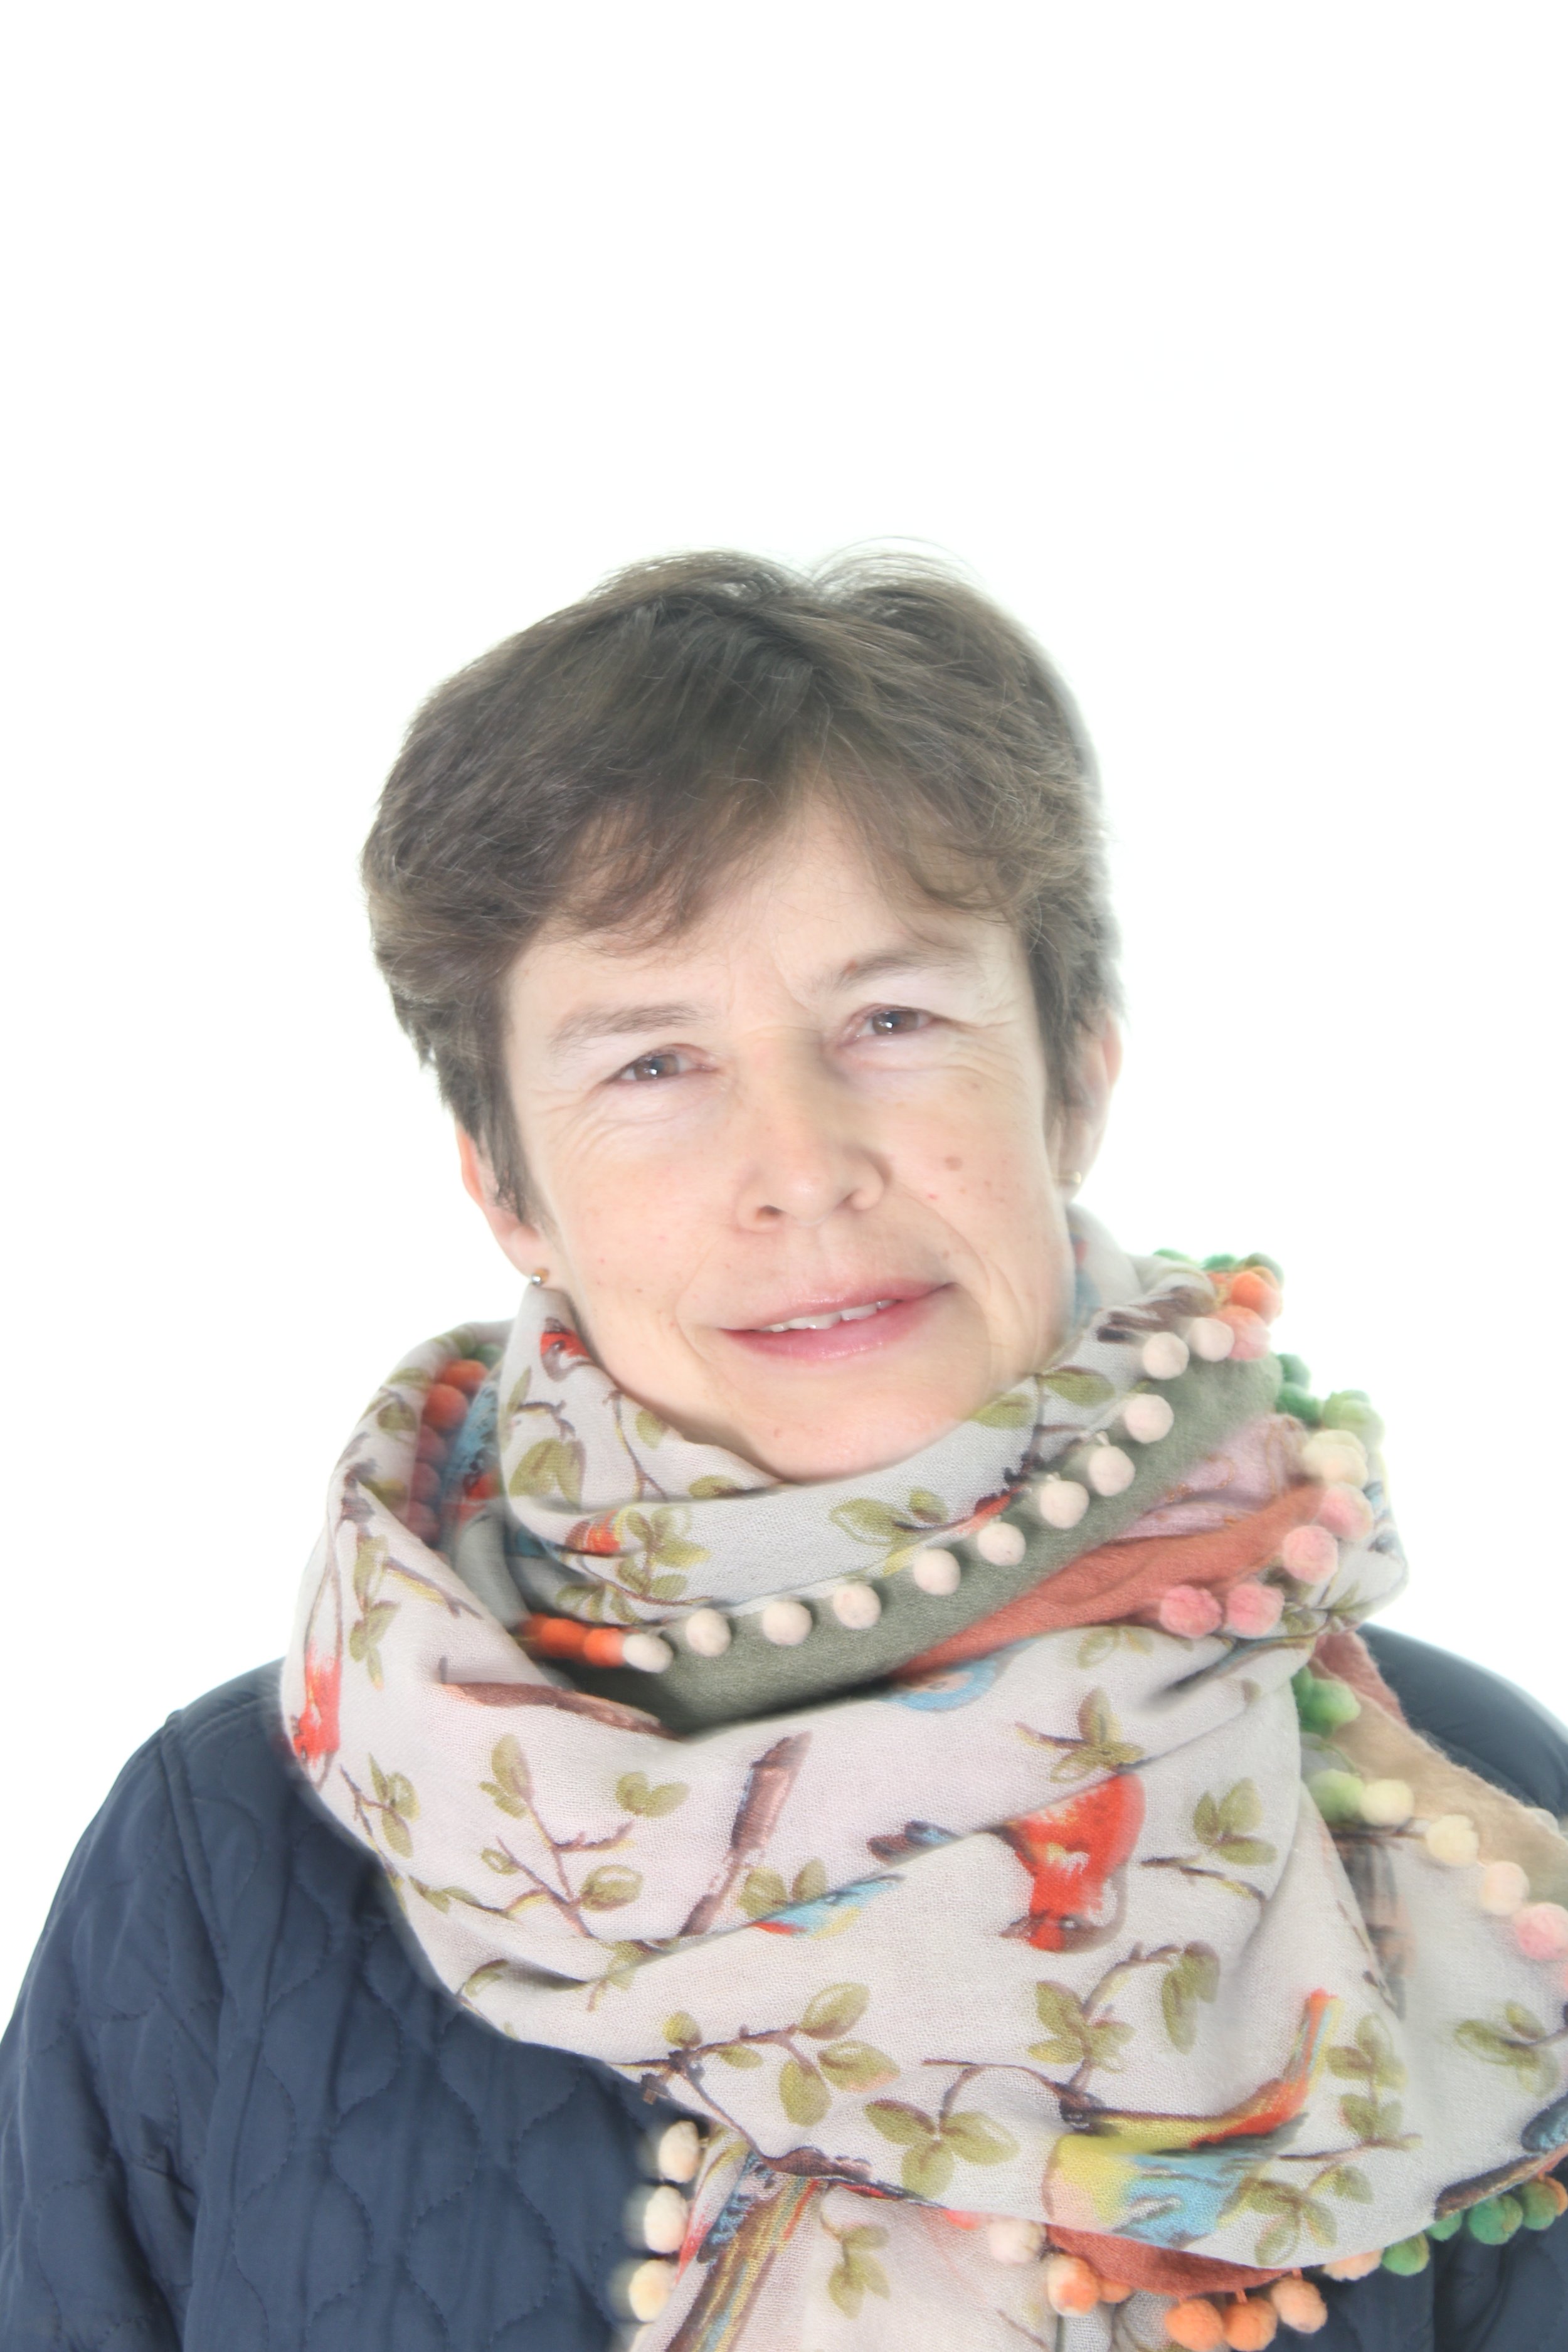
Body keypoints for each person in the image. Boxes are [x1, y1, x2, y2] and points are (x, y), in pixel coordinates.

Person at [4, 554, 1567, 2352]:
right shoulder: (228, 1863)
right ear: (505, 1184)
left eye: (890, 1023)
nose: (799, 1163)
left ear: (1073, 1075)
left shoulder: (1452, 1820)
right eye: (654, 1065)